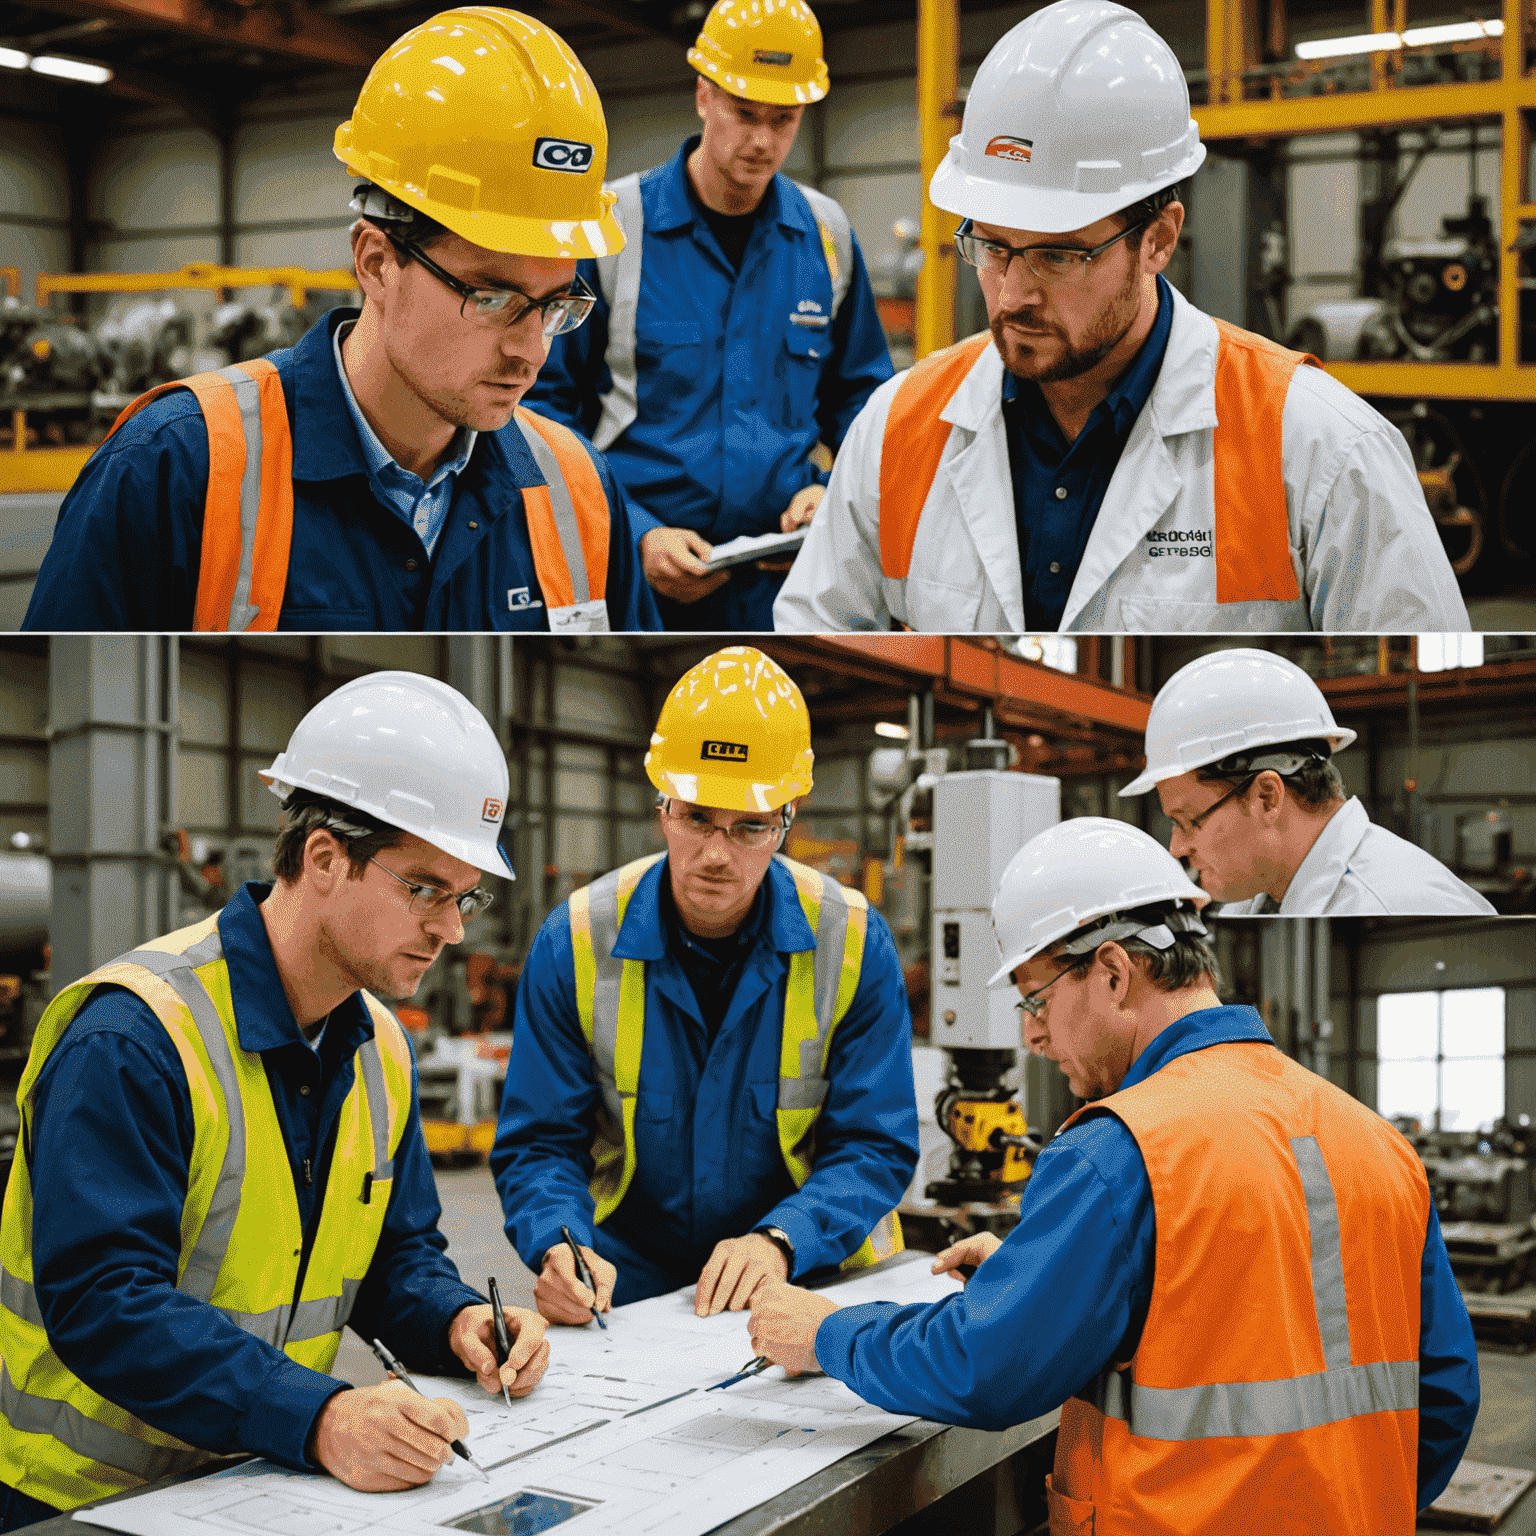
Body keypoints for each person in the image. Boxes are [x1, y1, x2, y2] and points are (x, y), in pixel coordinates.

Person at [747, 818, 1480, 1533]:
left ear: (1113, 973)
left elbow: (988, 1365)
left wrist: (829, 1334)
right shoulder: (1377, 1142)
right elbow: (1441, 1393)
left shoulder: (1123, 1149)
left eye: (1036, 1000)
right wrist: (1047, 1277)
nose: (1032, 1034)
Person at [0, 673, 551, 1531]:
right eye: (424, 888)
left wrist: (452, 1320)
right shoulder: (137, 1037)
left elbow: (393, 1255)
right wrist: (323, 1416)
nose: (454, 929)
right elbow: (104, 1298)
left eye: (466, 893)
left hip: (253, 1488)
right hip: (80, 1502)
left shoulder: (382, 1049)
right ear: (325, 859)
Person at [773, 0, 1471, 634]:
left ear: (1159, 240)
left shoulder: (1321, 450)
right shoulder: (897, 432)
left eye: (1056, 255)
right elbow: (815, 633)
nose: (1012, 293)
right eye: (991, 246)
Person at [23, 7, 661, 634]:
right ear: (378, 263)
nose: (531, 352)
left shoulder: (578, 491)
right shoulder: (175, 470)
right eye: (491, 299)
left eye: (555, 307)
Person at [491, 646, 918, 1319]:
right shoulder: (576, 940)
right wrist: (559, 1244)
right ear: (662, 803)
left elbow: (873, 1143)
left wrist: (782, 1239)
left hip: (805, 1278)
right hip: (628, 1288)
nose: (717, 854)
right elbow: (543, 1141)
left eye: (749, 826)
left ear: (789, 813)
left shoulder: (854, 942)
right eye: (696, 818)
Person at [522, 0, 893, 632]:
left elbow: (866, 403)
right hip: (637, 584)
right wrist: (636, 535)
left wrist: (829, 500)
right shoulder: (614, 228)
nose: (762, 141)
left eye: (784, 120)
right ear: (703, 97)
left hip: (787, 585)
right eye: (745, 113)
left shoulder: (825, 237)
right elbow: (543, 413)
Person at [1121, 647, 1496, 914]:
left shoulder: (1401, 904)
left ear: (1267, 796)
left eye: (1189, 821)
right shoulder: (1258, 894)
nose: (1176, 848)